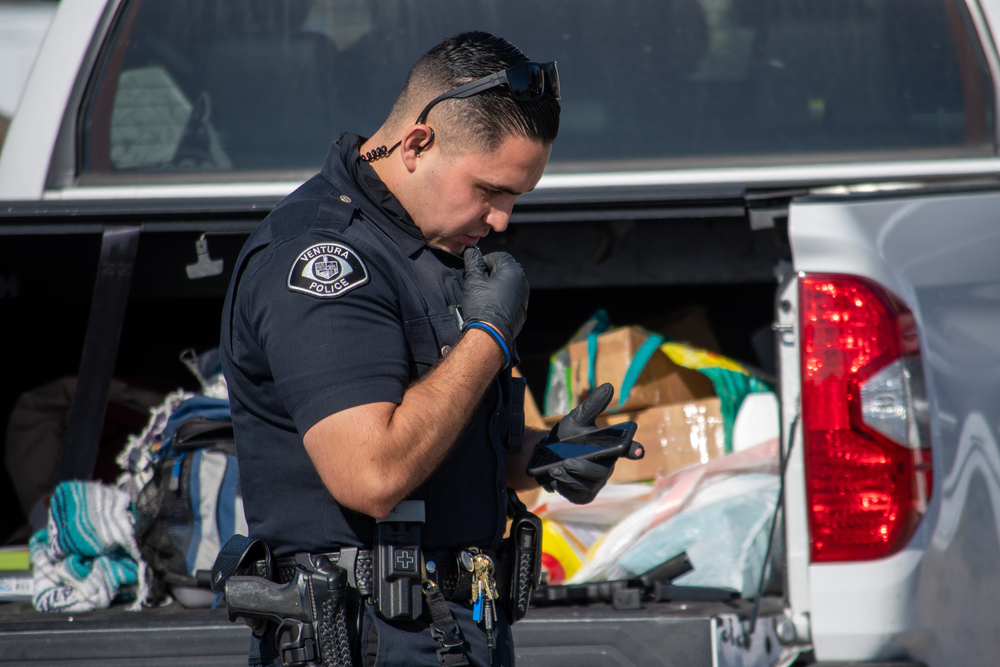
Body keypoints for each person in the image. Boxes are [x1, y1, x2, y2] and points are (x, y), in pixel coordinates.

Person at [220, 31, 618, 667]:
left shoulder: (435, 251)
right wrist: (487, 338)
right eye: (490, 191)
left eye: (516, 197)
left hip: (457, 630)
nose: (502, 220)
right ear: (417, 143)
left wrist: (540, 455)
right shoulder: (322, 260)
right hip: (363, 639)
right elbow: (374, 475)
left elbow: (441, 441)